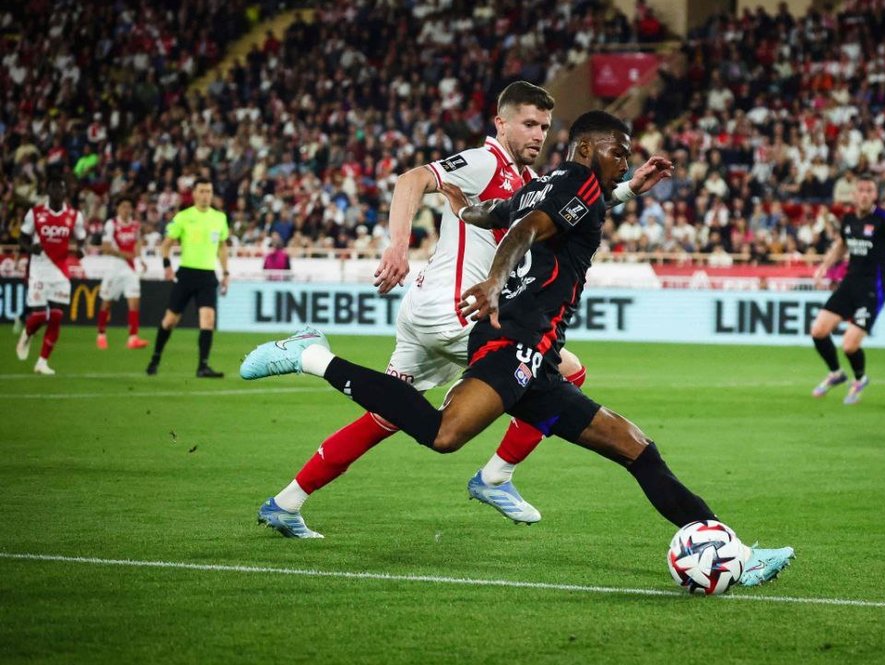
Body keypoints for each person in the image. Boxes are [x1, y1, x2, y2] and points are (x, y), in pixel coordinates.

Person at [241, 110, 794, 585]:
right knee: (445, 434)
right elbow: (525, 228)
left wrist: (465, 209)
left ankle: (738, 554)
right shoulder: (575, 184)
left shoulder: (548, 184)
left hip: (538, 358)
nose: (625, 161)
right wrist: (494, 279)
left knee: (634, 446)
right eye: (619, 152)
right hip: (513, 342)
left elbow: (497, 213)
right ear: (587, 149)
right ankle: (312, 356)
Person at [256, 82, 670, 537]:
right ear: (501, 124)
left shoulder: (529, 181)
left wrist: (628, 190)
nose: (538, 135)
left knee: (388, 412)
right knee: (563, 372)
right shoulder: (485, 161)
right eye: (528, 124)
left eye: (545, 126)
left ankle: (286, 502)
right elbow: (411, 179)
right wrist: (398, 246)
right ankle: (495, 476)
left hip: (430, 309)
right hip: (460, 309)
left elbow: (571, 209)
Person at [809, 177, 885, 404]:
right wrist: (824, 267)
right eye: (861, 190)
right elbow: (841, 245)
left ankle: (859, 379)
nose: (864, 194)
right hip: (849, 284)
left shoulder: (884, 219)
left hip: (873, 290)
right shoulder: (848, 219)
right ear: (854, 195)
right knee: (818, 331)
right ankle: (836, 373)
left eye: (869, 190)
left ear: (875, 195)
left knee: (849, 345)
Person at [146, 177, 230, 377]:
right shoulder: (183, 217)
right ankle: (155, 358)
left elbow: (222, 247)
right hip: (186, 274)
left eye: (208, 191)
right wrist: (167, 266)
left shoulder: (219, 218)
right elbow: (166, 245)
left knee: (208, 320)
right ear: (194, 194)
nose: (205, 195)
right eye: (202, 191)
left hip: (208, 276)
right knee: (170, 321)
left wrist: (226, 272)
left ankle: (203, 366)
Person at [16, 174, 86, 375]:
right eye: (54, 188)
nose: (57, 192)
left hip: (61, 271)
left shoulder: (74, 216)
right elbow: (22, 238)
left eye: (60, 188)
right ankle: (27, 333)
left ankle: (42, 362)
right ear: (48, 191)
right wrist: (30, 248)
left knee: (56, 316)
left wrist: (80, 249)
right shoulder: (35, 213)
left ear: (65, 192)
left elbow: (81, 238)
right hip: (39, 270)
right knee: (39, 315)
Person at [96, 196, 150, 350]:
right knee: (106, 303)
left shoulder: (136, 225)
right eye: (123, 207)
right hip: (114, 268)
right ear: (117, 208)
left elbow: (137, 244)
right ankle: (101, 334)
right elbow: (105, 247)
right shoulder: (111, 224)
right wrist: (125, 255)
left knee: (134, 302)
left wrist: (140, 260)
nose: (126, 210)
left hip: (130, 269)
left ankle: (133, 338)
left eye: (129, 207)